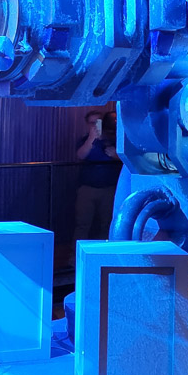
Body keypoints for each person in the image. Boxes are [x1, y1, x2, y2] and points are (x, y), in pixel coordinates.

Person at [71, 109, 121, 261]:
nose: (95, 125)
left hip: (109, 188)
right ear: (87, 124)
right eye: (92, 123)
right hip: (88, 188)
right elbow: (81, 155)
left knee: (107, 223)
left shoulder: (113, 140)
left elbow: (126, 159)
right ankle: (77, 257)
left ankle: (102, 256)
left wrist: (115, 155)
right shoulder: (84, 140)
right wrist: (92, 138)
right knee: (82, 223)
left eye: (98, 122)